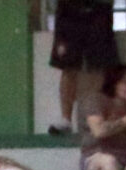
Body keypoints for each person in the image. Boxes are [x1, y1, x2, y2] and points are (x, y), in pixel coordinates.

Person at [51, 0, 122, 135]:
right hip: (69, 10)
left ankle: (94, 119)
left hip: (100, 9)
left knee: (98, 67)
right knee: (69, 67)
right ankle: (66, 119)